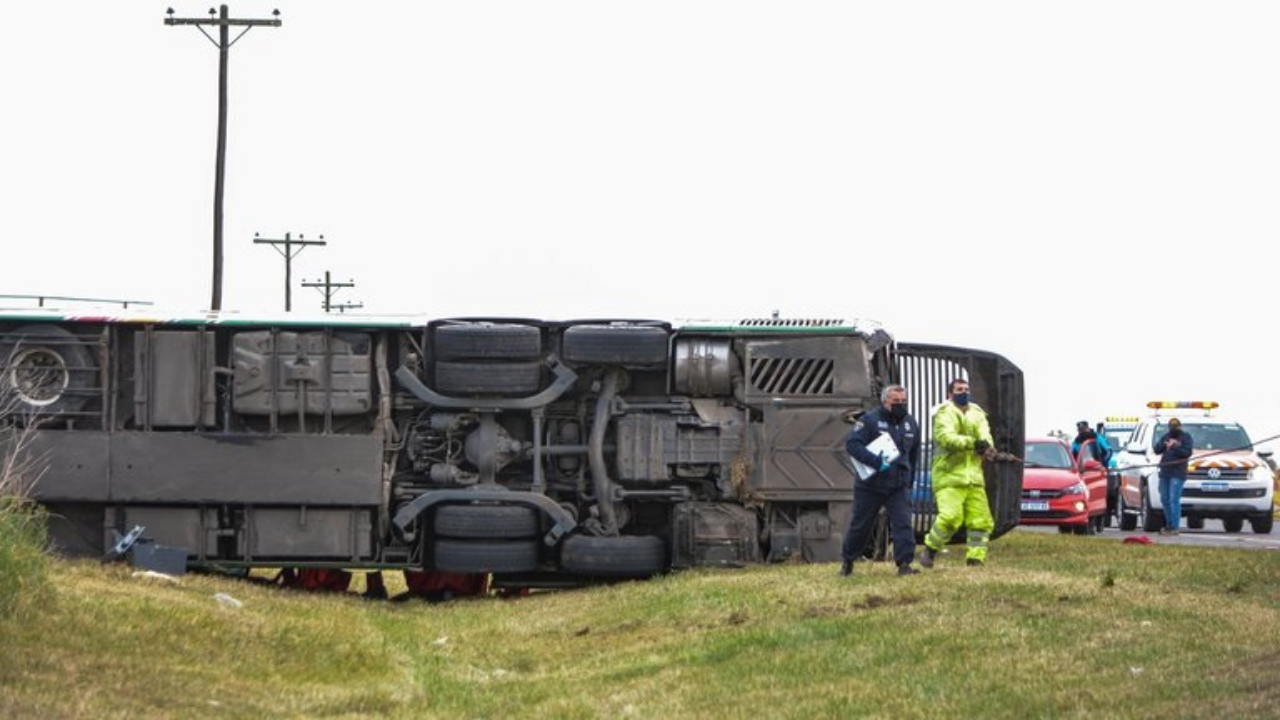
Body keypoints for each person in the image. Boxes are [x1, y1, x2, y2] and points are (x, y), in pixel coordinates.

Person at [840, 384, 922, 577]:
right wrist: (876, 462)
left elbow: (914, 453)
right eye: (896, 402)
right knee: (861, 525)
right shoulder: (869, 420)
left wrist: (910, 478)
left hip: (898, 484)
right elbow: (853, 445)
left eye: (904, 401)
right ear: (885, 401)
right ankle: (848, 562)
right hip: (871, 485)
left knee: (903, 523)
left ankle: (904, 565)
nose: (901, 405)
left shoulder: (910, 423)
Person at [919, 378, 997, 568]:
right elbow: (946, 438)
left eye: (967, 389)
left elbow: (985, 434)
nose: (964, 392)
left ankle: (975, 559)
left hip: (974, 477)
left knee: (981, 521)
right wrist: (973, 443)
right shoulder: (943, 413)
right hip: (949, 476)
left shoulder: (977, 413)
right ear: (950, 394)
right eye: (959, 389)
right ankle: (930, 549)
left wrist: (987, 446)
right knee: (950, 518)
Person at [1154, 417, 1194, 535]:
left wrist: (1176, 446)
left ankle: (1175, 527)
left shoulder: (1186, 437)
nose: (1173, 429)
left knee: (1173, 499)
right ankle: (1169, 524)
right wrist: (1164, 445)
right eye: (1171, 427)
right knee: (1164, 498)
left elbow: (1187, 453)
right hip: (1165, 471)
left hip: (1177, 472)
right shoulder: (1166, 436)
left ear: (1180, 427)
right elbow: (1156, 450)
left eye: (1176, 427)